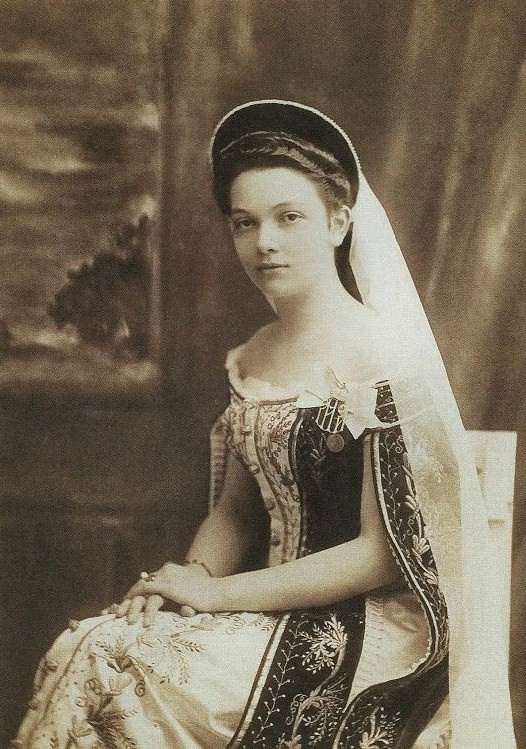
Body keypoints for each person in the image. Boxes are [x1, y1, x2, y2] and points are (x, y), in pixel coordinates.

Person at [13, 100, 516, 749]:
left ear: (338, 222)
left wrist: (218, 597)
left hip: (370, 629)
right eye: (244, 223)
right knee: (91, 643)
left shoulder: (384, 354)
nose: (264, 242)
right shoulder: (252, 354)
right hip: (263, 608)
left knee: (119, 667)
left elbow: (379, 554)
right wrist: (187, 584)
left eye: (289, 217)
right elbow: (237, 515)